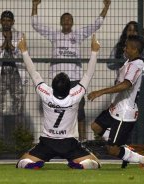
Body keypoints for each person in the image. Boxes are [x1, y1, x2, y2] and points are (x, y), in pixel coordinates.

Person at [16, 34, 101, 170]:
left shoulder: (46, 93)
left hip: (47, 142)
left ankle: (32, 164)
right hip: (69, 142)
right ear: (70, 88)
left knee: (21, 162)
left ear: (52, 86)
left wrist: (24, 51)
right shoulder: (75, 95)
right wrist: (94, 51)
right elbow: (88, 75)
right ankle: (81, 165)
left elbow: (33, 73)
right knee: (96, 163)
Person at [31, 0, 111, 141]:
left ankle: (82, 140)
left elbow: (95, 25)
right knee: (58, 109)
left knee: (79, 111)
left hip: (74, 79)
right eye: (64, 19)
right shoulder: (54, 35)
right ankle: (59, 137)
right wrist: (35, 6)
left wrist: (106, 7)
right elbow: (36, 25)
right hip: (58, 81)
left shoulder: (78, 34)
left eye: (69, 19)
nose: (67, 21)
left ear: (72, 22)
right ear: (61, 22)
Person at [88, 35, 144, 169]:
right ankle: (124, 149)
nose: (124, 49)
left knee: (112, 150)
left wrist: (101, 92)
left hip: (124, 114)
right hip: (115, 108)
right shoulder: (129, 61)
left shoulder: (137, 64)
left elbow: (126, 85)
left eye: (127, 47)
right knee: (96, 126)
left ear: (134, 50)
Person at [0, 10, 29, 142]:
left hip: (16, 74)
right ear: (0, 21)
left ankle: (19, 139)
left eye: (9, 20)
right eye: (4, 20)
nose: (6, 22)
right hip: (0, 75)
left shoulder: (20, 35)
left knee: (19, 108)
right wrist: (3, 46)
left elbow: (24, 54)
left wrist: (12, 47)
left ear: (13, 22)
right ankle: (0, 141)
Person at [108, 21, 144, 143]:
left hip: (142, 84)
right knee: (119, 111)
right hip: (122, 83)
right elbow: (110, 64)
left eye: (135, 30)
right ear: (125, 32)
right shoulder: (119, 48)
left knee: (138, 113)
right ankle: (122, 141)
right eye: (129, 29)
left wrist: (138, 60)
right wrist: (123, 61)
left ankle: (138, 142)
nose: (132, 32)